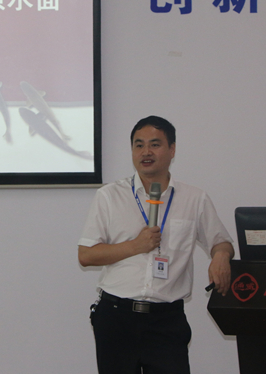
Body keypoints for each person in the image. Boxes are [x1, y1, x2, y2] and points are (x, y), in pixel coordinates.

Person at [78, 115, 234, 374]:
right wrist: (136, 246)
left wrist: (220, 256)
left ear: (172, 149)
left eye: (155, 144)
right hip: (116, 317)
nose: (146, 152)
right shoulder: (109, 196)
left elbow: (221, 241)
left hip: (166, 320)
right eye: (138, 145)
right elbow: (86, 255)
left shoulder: (194, 198)